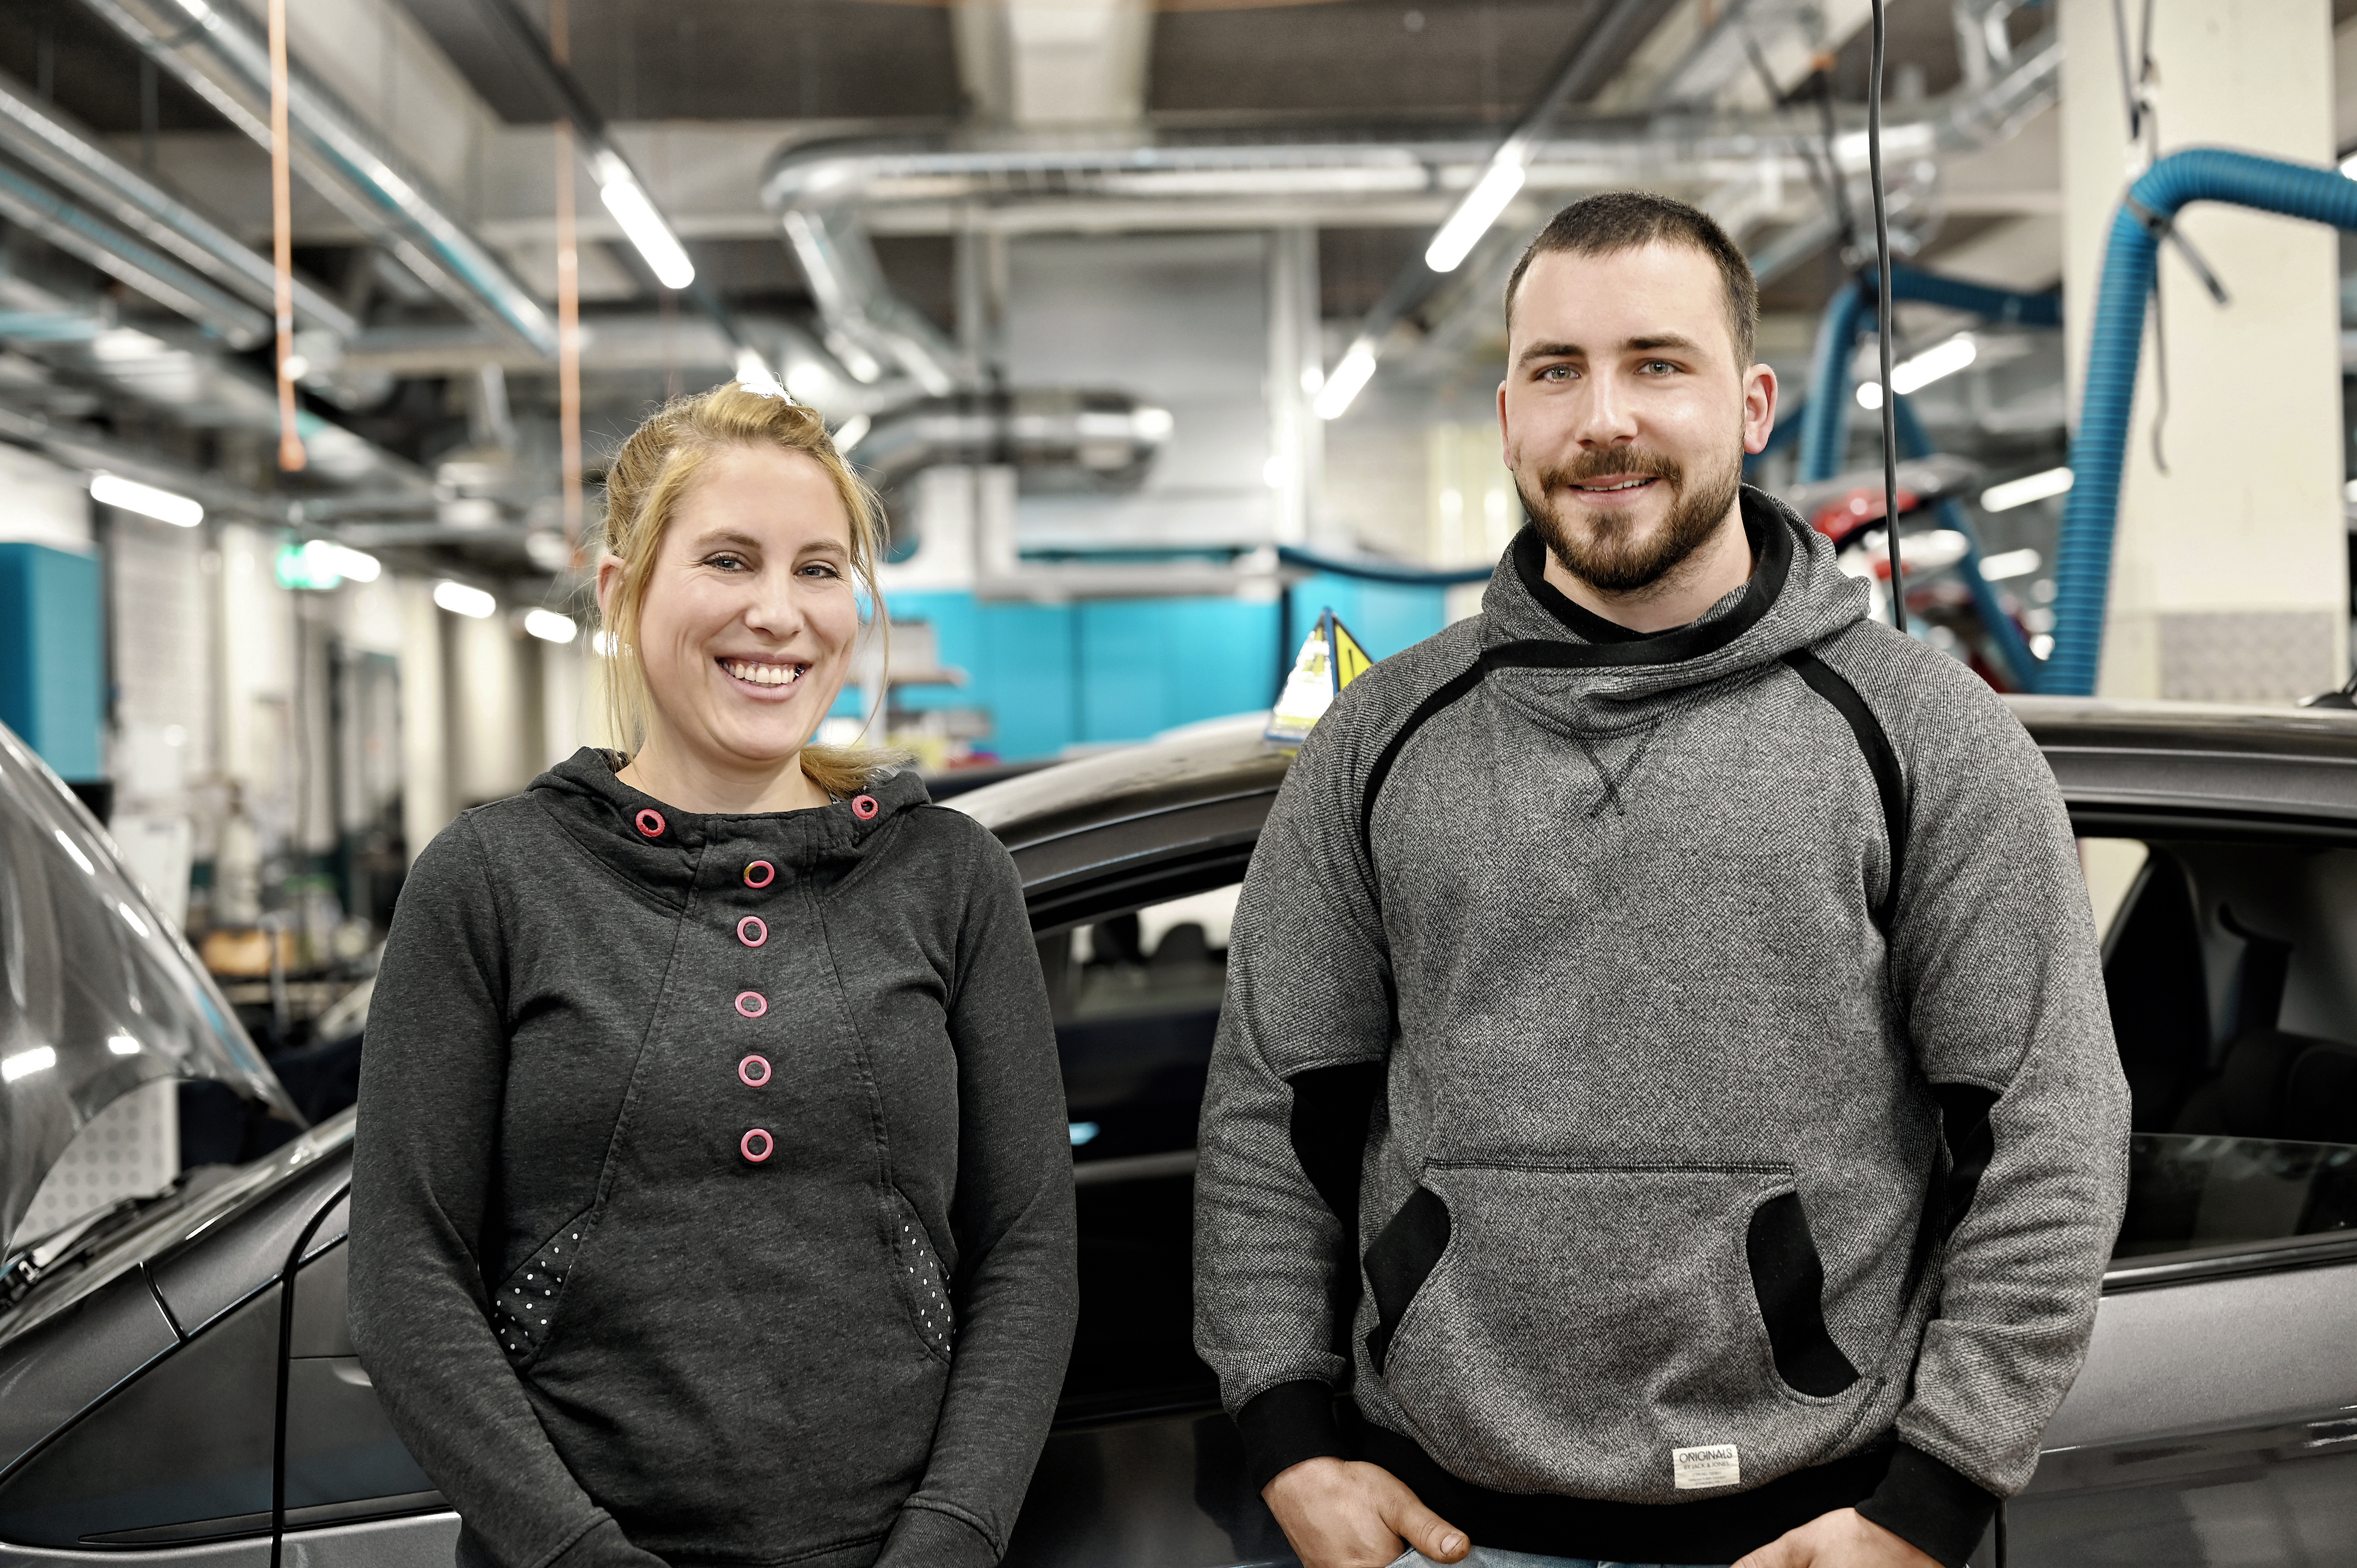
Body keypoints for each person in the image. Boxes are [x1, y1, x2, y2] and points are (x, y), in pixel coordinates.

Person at [1193, 192, 2129, 1568]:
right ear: (1509, 415)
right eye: (1557, 371)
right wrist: (1287, 1437)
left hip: (1815, 1533)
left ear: (1751, 404)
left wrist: (1931, 1502)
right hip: (1440, 1528)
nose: (1604, 418)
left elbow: (2048, 1133)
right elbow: (1275, 1112)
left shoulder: (1926, 736)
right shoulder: (1380, 743)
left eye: (1657, 363)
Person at [350, 383, 1077, 1568]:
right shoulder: (493, 881)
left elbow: (1029, 1250)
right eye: (730, 562)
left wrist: (950, 1537)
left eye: (819, 570)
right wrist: (579, 1555)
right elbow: (404, 1275)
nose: (779, 615)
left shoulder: (950, 877)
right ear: (621, 590)